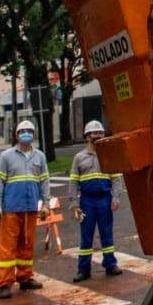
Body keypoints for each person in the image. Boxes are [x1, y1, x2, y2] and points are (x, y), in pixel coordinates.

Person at [0, 119, 51, 299]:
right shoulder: (6, 156)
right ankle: (4, 283)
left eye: (30, 131)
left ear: (34, 135)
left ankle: (25, 278)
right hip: (11, 208)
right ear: (16, 135)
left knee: (27, 245)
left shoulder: (39, 156)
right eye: (22, 131)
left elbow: (44, 181)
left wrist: (46, 204)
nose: (26, 134)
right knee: (7, 248)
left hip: (30, 208)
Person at [68, 120, 125, 282]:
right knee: (86, 236)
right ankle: (83, 269)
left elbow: (116, 178)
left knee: (107, 234)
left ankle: (110, 264)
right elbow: (73, 181)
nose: (97, 136)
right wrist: (74, 204)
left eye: (100, 133)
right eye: (94, 133)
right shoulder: (79, 158)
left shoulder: (108, 155)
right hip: (87, 201)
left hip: (104, 200)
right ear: (87, 136)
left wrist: (115, 198)